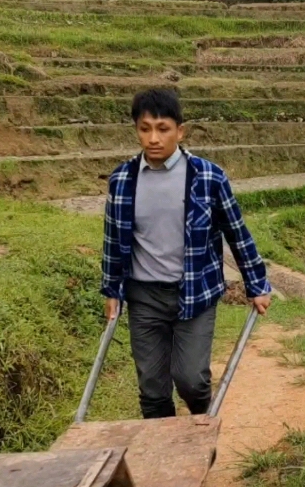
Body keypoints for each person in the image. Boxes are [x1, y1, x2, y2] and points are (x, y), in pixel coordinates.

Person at [100, 88, 272, 419]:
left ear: (180, 131)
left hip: (194, 292)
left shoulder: (207, 177)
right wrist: (112, 290)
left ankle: (200, 428)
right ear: (136, 129)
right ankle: (162, 458)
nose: (153, 138)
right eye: (144, 128)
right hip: (144, 295)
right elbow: (113, 240)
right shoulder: (122, 180)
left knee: (191, 380)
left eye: (162, 129)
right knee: (152, 389)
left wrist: (257, 284)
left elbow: (237, 231)